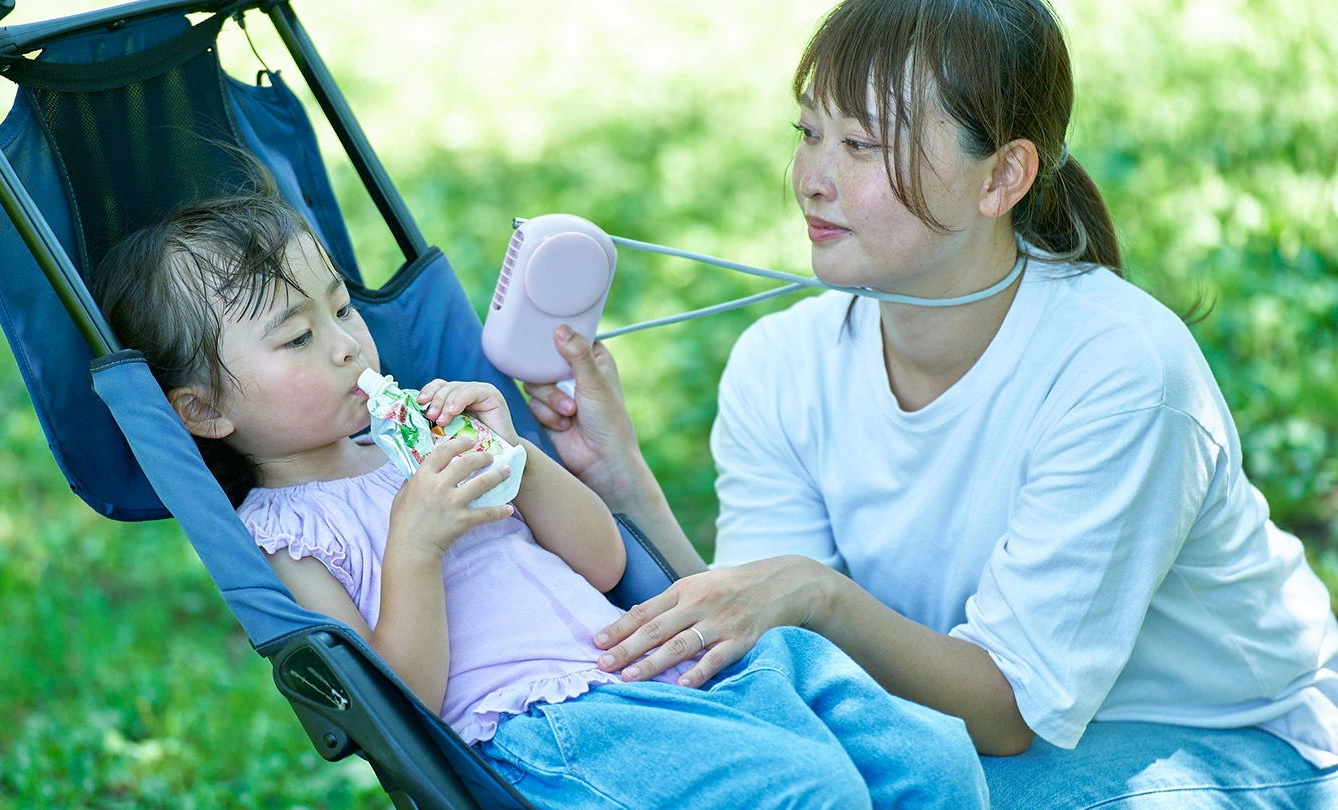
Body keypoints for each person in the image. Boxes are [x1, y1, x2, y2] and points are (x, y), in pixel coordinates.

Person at [522, 0, 1338, 807]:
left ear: (1003, 177)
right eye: (809, 133)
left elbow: (1011, 709)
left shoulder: (1119, 371)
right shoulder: (780, 364)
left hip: (1233, 739)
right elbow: (774, 649)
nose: (814, 179)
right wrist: (625, 485)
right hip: (959, 727)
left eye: (862, 145)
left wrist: (817, 592)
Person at [87, 186, 989, 810]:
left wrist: (517, 456)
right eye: (295, 337)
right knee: (809, 794)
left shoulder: (418, 446)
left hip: (647, 665)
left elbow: (601, 561)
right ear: (201, 411)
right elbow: (398, 707)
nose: (345, 347)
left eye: (342, 309)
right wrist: (415, 543)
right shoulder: (284, 535)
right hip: (554, 734)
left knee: (927, 756)